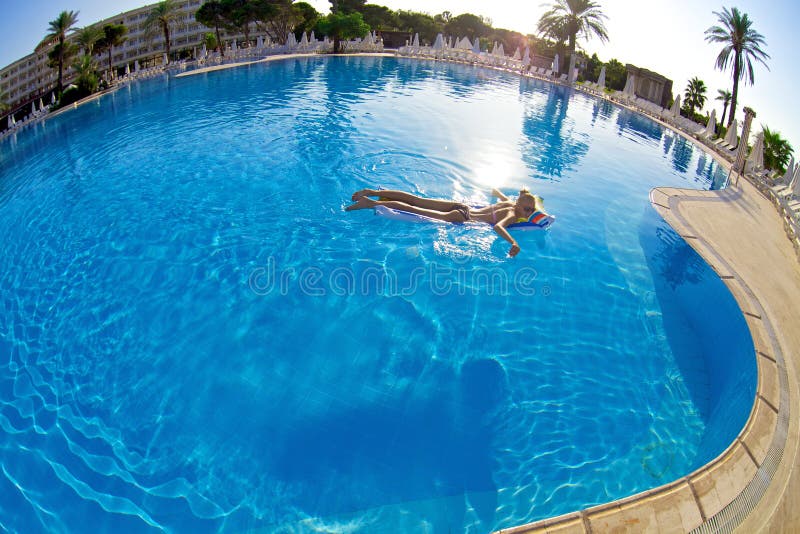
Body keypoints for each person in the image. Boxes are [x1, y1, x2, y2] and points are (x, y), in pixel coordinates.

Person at [346, 188, 543, 257]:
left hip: (463, 207)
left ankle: (373, 192)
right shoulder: (512, 213)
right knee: (415, 210)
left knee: (415, 200)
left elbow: (500, 195)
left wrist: (496, 192)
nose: (529, 213)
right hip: (462, 217)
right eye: (528, 210)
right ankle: (369, 202)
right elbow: (499, 227)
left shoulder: (509, 202)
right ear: (519, 207)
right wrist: (514, 243)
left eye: (532, 211)